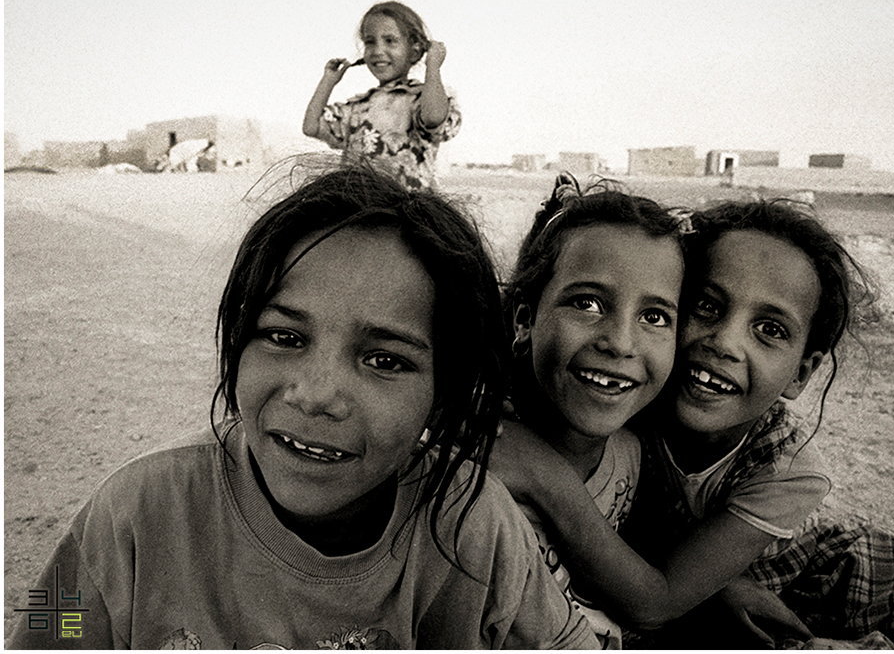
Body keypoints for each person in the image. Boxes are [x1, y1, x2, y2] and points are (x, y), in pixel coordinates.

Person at [9, 158, 597, 650]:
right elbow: (42, 639)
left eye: (385, 360)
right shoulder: (132, 515)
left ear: (443, 397)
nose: (314, 395)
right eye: (284, 337)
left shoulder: (476, 531)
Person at [495, 199, 894, 649]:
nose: (724, 343)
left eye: (769, 330)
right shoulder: (626, 390)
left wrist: (547, 479)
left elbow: (658, 600)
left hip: (826, 571)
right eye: (705, 306)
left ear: (802, 373)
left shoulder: (788, 469)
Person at [493, 173, 689, 648]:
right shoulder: (480, 460)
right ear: (525, 319)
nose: (620, 343)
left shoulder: (633, 454)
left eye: (654, 317)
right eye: (587, 303)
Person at [302, 1, 460, 193]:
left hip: (407, 214)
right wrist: (328, 81)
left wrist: (433, 66)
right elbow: (311, 126)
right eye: (370, 42)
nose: (377, 51)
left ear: (415, 50)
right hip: (359, 210)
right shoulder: (359, 107)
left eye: (390, 41)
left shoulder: (421, 98)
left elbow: (434, 117)